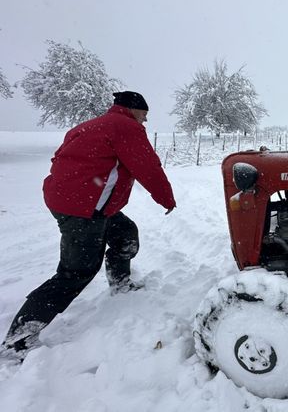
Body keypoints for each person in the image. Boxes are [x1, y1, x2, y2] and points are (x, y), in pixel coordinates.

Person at [1, 91, 176, 360]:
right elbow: (147, 166)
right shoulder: (125, 126)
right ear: (133, 110)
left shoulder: (89, 125)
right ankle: (19, 339)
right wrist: (166, 198)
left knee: (125, 234)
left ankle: (121, 283)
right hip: (83, 209)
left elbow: (61, 158)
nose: (145, 122)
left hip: (75, 202)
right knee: (76, 270)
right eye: (144, 116)